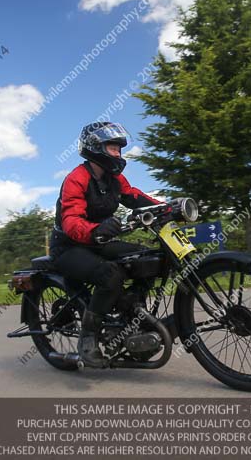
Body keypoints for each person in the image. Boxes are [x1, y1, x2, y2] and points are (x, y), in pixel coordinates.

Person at [50, 122, 161, 368]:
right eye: (113, 148)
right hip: (68, 247)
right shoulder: (76, 179)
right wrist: (95, 230)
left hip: (99, 241)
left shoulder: (115, 179)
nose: (118, 154)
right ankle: (88, 337)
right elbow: (71, 221)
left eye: (119, 149)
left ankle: (131, 312)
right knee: (110, 274)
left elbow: (134, 196)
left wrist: (165, 207)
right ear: (95, 148)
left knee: (147, 258)